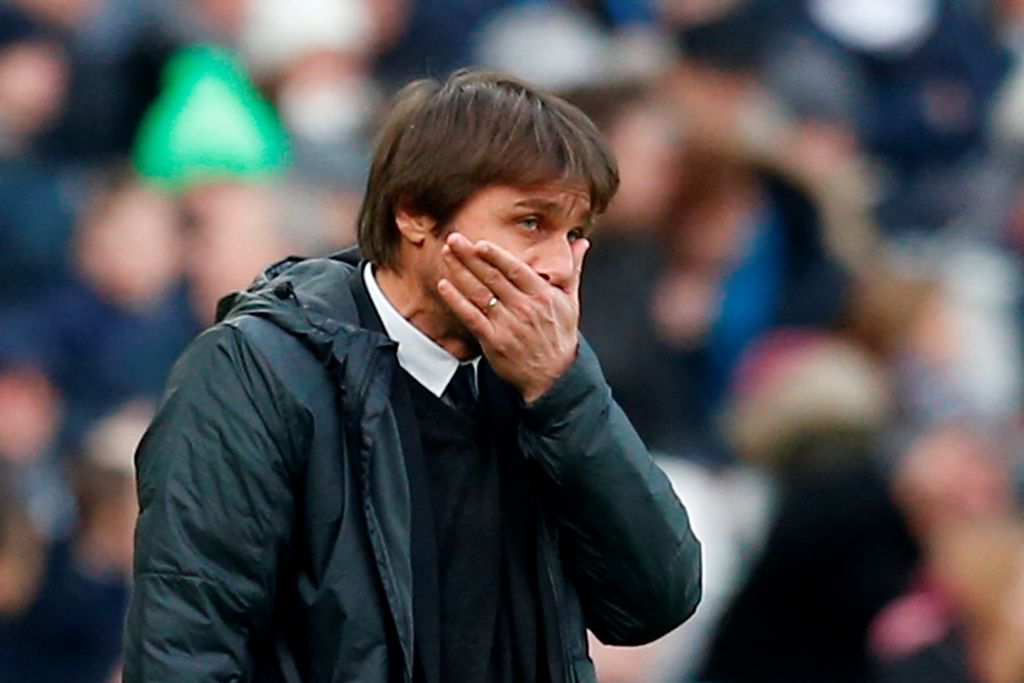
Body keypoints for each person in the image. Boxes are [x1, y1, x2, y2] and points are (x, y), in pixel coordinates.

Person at [123, 69, 702, 683]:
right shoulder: (255, 372)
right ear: (416, 214)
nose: (558, 266)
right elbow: (186, 647)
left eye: (576, 234)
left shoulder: (544, 383)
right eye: (531, 223)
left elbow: (655, 600)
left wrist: (564, 394)